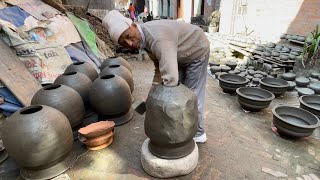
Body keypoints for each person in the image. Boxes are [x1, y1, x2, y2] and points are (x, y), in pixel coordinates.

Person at [102, 10, 210, 143]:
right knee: (180, 93)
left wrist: (155, 104)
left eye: (128, 36)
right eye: (124, 43)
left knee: (191, 95)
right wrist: (152, 93)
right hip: (180, 53)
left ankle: (198, 133)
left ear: (134, 26)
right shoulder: (144, 40)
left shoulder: (157, 39)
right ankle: (181, 127)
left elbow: (170, 79)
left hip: (197, 48)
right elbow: (160, 69)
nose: (129, 44)